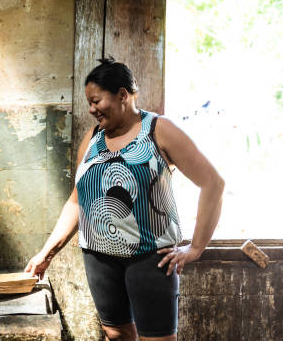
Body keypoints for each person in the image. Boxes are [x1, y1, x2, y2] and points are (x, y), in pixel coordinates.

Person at [25, 56, 224, 341]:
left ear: (122, 95)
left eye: (97, 101)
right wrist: (46, 253)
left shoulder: (158, 130)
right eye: (89, 103)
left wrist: (195, 247)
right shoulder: (92, 138)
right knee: (115, 334)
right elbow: (76, 201)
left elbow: (213, 183)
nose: (92, 109)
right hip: (99, 258)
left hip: (150, 259)